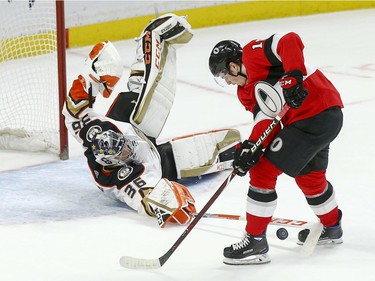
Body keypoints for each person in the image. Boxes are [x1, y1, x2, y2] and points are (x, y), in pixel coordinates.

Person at [62, 14, 240, 228]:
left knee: (141, 98)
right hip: (153, 162)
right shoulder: (123, 178)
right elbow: (142, 197)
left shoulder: (94, 130)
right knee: (165, 149)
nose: (127, 148)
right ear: (117, 162)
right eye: (123, 152)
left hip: (131, 126)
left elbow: (72, 111)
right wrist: (165, 205)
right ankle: (196, 158)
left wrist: (93, 77)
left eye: (122, 144)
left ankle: (152, 39)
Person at [208, 32, 344, 265]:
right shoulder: (245, 93)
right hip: (322, 118)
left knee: (262, 171)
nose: (228, 82)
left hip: (315, 113)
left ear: (232, 66)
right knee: (310, 177)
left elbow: (289, 40)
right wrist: (252, 146)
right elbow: (266, 119)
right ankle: (332, 227)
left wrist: (293, 75)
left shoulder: (252, 54)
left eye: (224, 76)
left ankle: (255, 241)